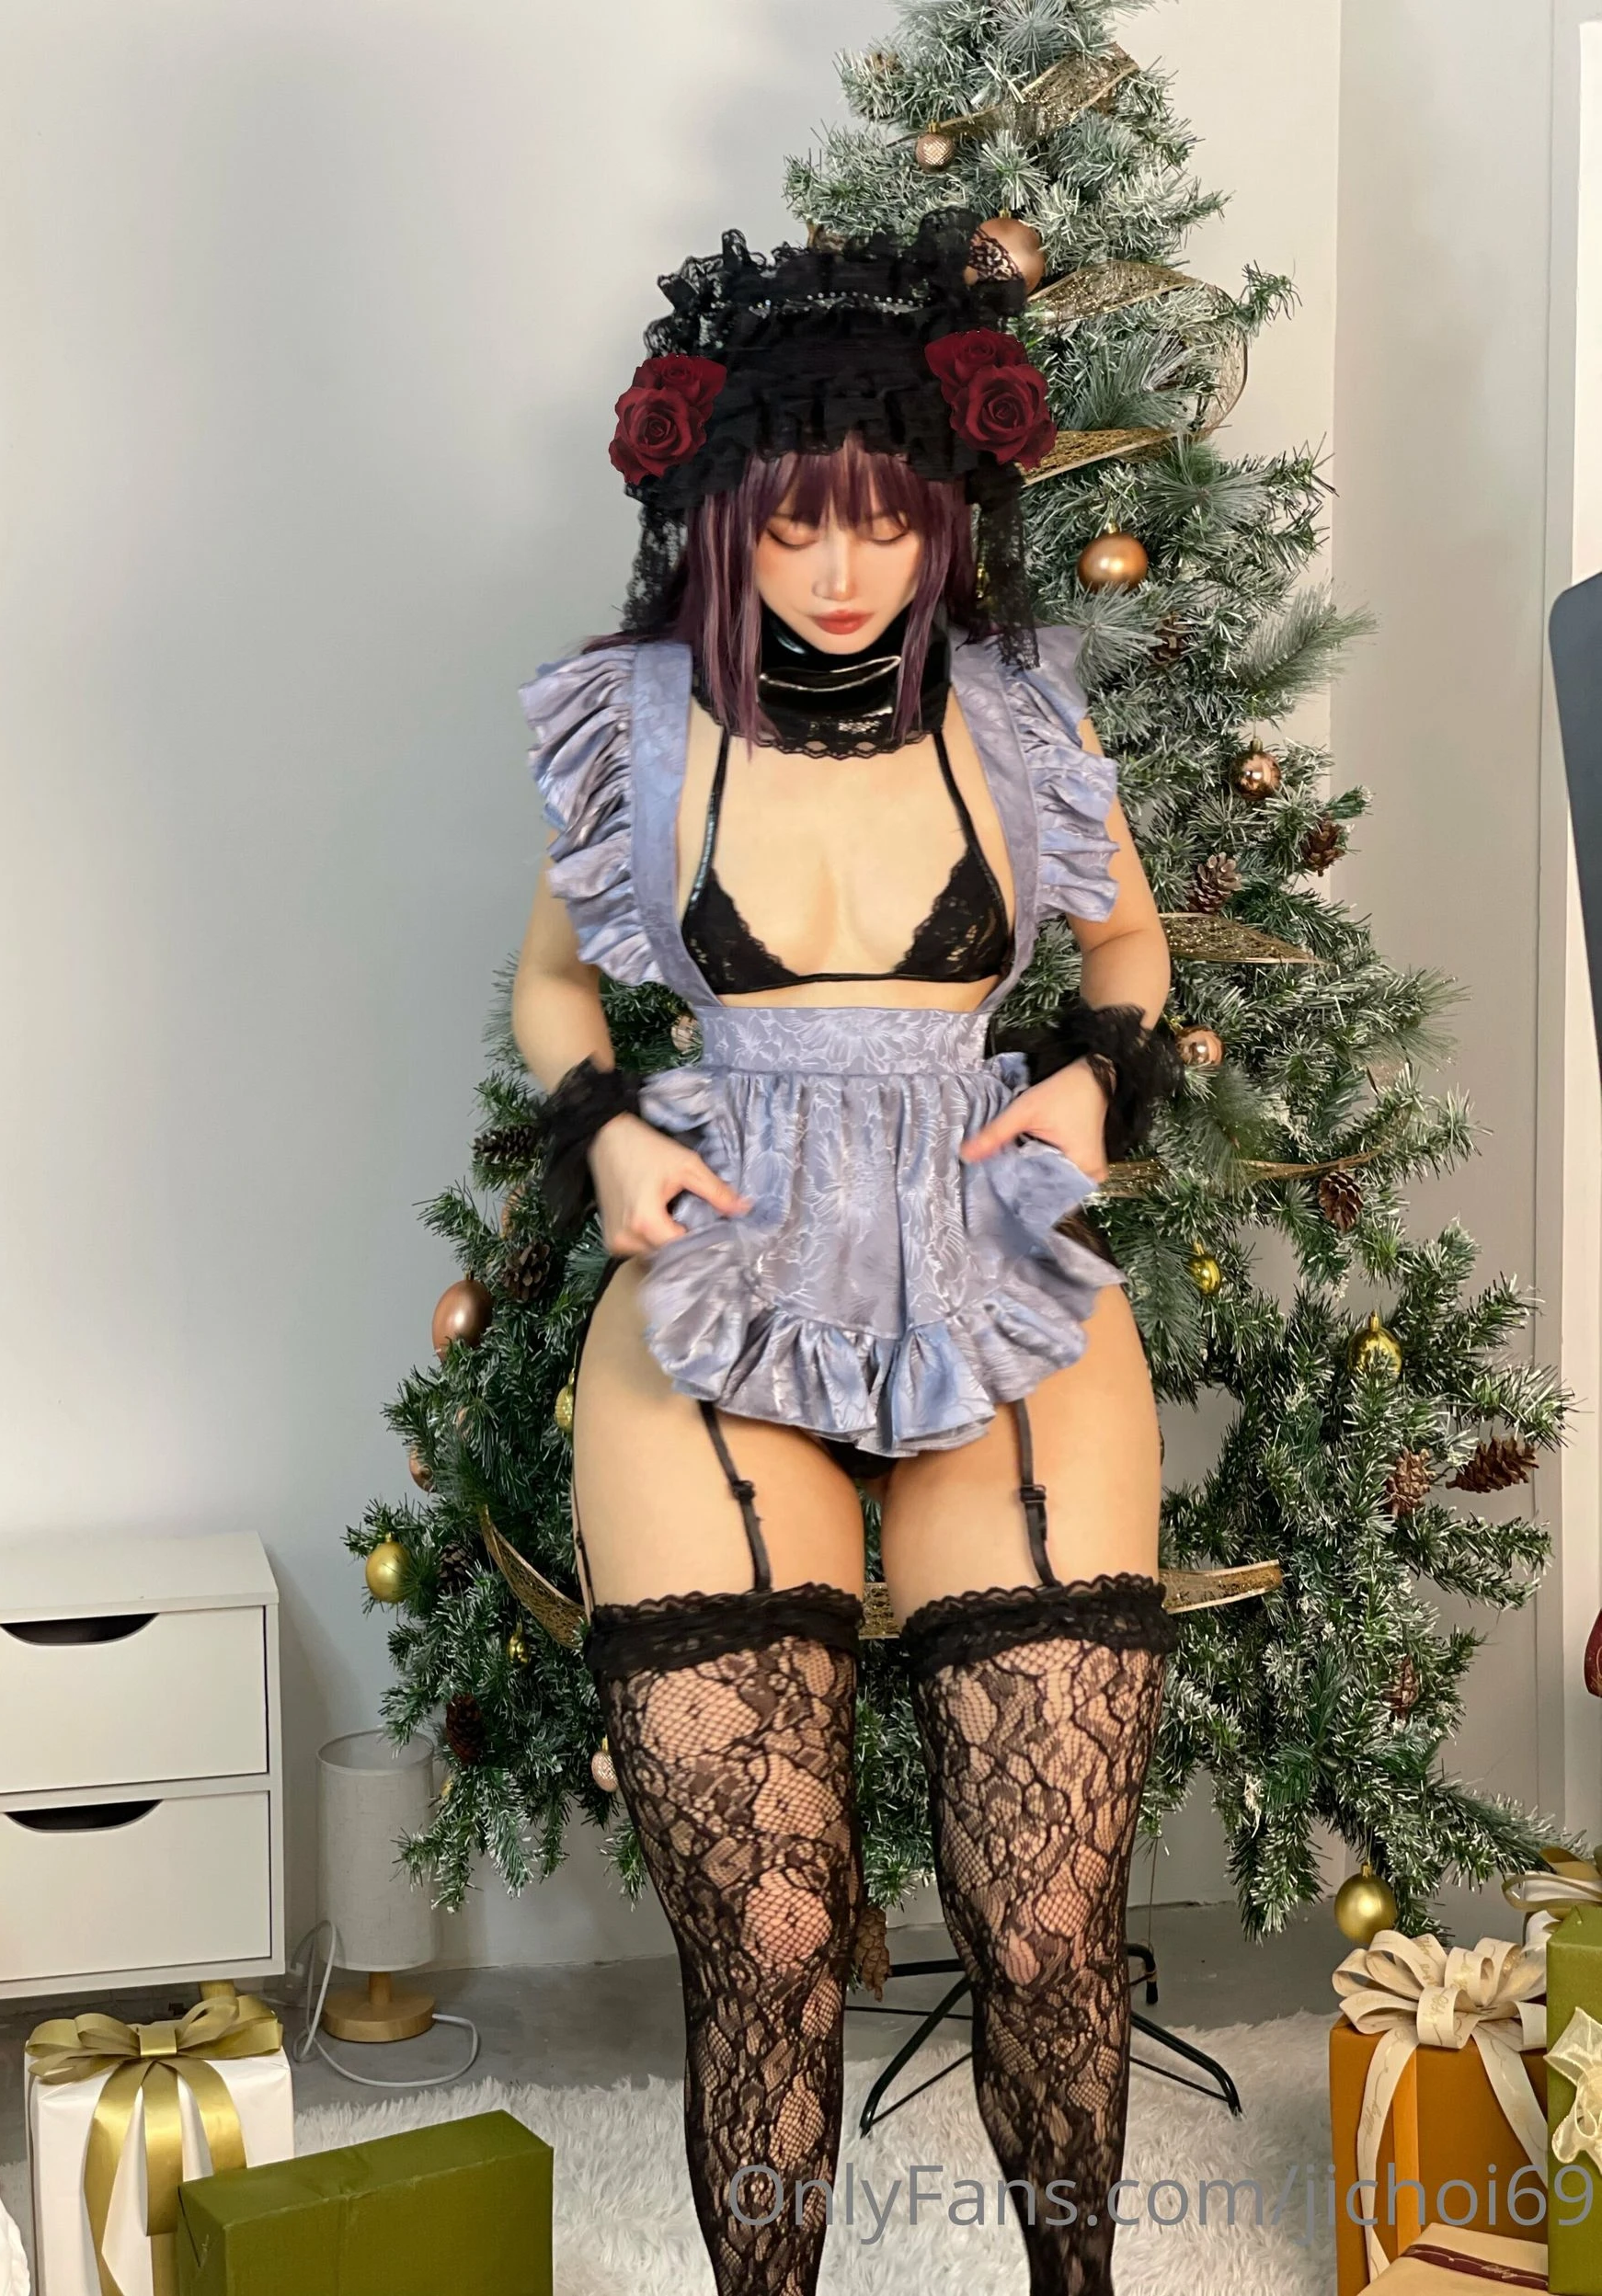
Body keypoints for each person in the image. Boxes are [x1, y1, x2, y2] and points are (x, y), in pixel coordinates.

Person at [510, 208, 1182, 2296]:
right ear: (721, 516)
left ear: (943, 515)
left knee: (1049, 1924)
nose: (840, 568)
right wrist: (607, 1128)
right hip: (725, 1281)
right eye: (795, 523)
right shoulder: (635, 722)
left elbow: (1132, 950)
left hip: (994, 1274)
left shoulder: (1025, 717)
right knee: (773, 1932)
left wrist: (1096, 1082)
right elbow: (551, 982)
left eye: (885, 521)